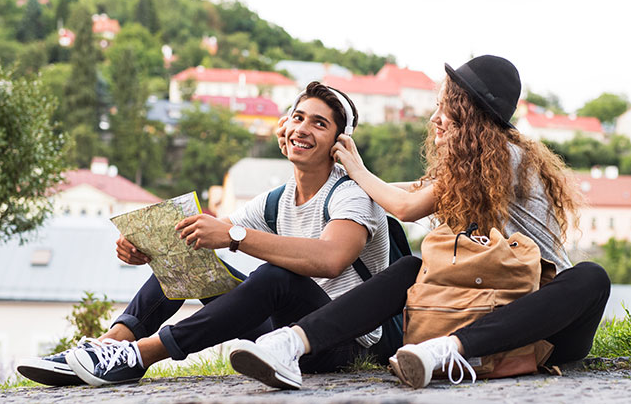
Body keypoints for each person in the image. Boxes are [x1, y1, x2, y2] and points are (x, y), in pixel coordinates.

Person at [228, 55, 611, 389]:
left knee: (590, 276)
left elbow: (407, 206)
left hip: (541, 322)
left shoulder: (503, 156)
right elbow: (404, 189)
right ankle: (289, 344)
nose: (434, 119)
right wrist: (330, 174)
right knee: (410, 267)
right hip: (477, 302)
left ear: (469, 114)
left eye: (445, 108)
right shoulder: (475, 162)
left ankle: (450, 351)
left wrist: (355, 167)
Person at [16, 82, 390, 387]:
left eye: (319, 124)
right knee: (185, 255)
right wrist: (147, 248)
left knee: (277, 277)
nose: (303, 129)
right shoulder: (277, 201)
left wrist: (236, 237)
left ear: (340, 144)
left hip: (341, 342)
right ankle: (109, 346)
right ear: (284, 127)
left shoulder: (352, 195)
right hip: (281, 335)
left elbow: (330, 258)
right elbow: (206, 233)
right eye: (298, 118)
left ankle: (142, 355)